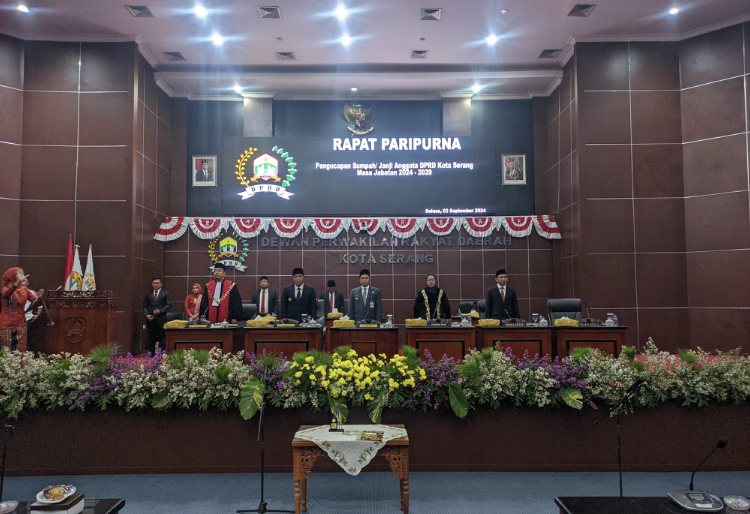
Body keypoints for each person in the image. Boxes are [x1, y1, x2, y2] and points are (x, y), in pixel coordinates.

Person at [0, 267, 39, 352]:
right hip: (7, 324)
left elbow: (34, 300)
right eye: (19, 273)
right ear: (12, 275)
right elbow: (6, 293)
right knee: (7, 349)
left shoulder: (24, 289)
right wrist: (17, 282)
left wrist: (38, 298)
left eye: (22, 273)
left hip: (21, 323)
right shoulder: (5, 287)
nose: (22, 275)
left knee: (21, 349)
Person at [142, 277, 172, 354]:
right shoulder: (148, 294)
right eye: (154, 283)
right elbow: (145, 306)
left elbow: (168, 305)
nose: (155, 285)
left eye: (157, 283)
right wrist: (146, 314)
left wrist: (160, 311)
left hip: (161, 317)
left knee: (161, 336)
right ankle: (151, 353)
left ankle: (160, 353)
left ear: (161, 284)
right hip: (150, 318)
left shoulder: (166, 293)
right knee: (151, 336)